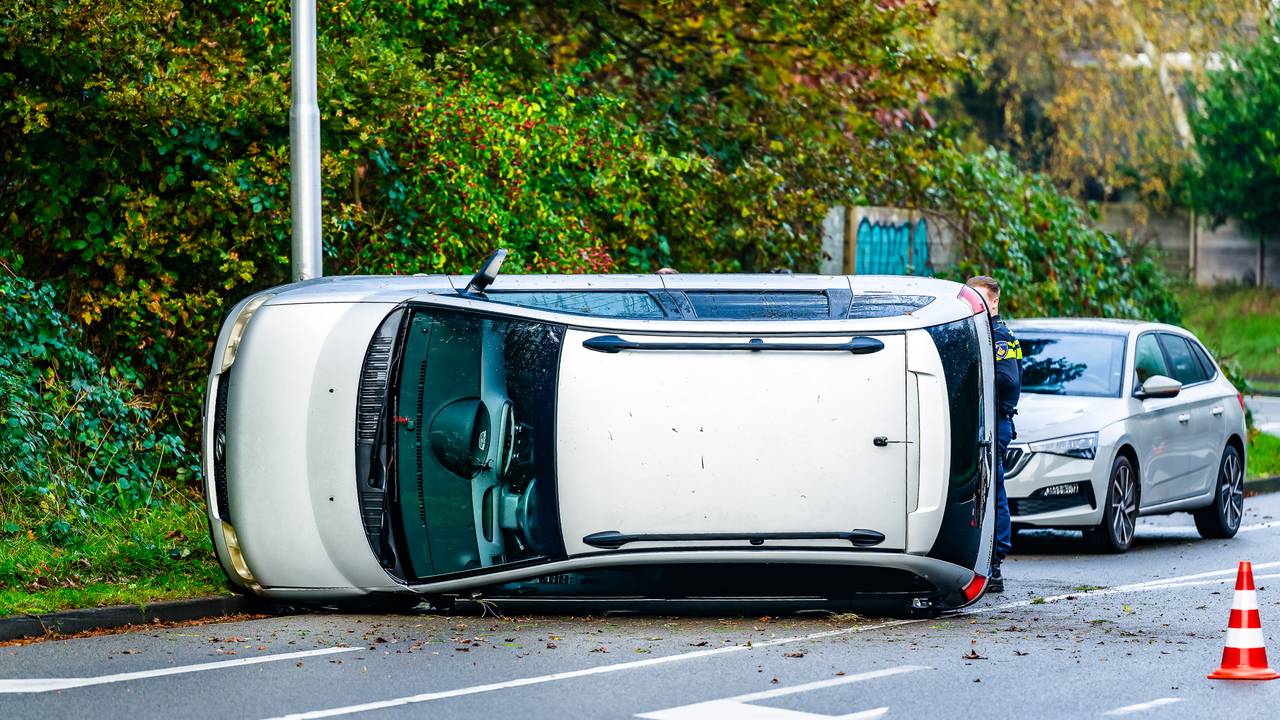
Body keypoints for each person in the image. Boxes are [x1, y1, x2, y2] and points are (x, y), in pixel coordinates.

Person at [966, 275, 1021, 593]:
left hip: (995, 421)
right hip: (986, 421)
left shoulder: (998, 336)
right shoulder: (984, 334)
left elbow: (1007, 381)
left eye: (979, 297)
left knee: (993, 489)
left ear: (994, 301)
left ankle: (995, 565)